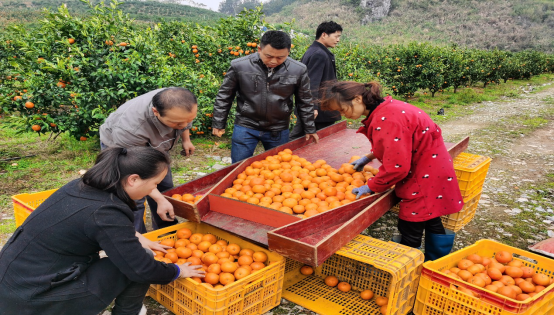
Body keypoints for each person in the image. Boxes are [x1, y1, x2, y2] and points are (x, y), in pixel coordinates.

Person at [0, 147, 205, 315]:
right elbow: (141, 269)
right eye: (155, 184)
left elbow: (92, 223)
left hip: (13, 282)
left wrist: (137, 237)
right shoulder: (107, 212)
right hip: (33, 301)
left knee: (137, 254)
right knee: (141, 261)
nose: (155, 189)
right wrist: (178, 271)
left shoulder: (82, 187)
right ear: (133, 179)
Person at [319, 81, 464, 261]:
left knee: (411, 224)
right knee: (430, 213)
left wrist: (371, 186)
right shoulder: (387, 108)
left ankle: (409, 265)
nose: (343, 115)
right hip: (433, 166)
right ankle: (437, 261)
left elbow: (397, 168)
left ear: (357, 99)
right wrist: (369, 157)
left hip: (423, 174)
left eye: (342, 109)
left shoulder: (387, 119)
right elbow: (396, 142)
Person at [212, 30, 319, 163]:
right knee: (239, 168)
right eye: (268, 56)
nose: (274, 61)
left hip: (278, 128)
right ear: (259, 49)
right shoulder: (240, 66)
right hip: (246, 126)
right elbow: (225, 96)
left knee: (279, 169)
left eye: (280, 57)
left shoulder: (298, 70)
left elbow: (305, 101)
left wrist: (309, 128)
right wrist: (218, 122)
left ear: (288, 53)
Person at [100, 87, 197, 233]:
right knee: (134, 197)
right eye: (177, 124)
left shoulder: (178, 100)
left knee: (165, 189)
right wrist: (158, 198)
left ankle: (166, 232)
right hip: (127, 151)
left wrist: (186, 139)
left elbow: (184, 120)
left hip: (156, 146)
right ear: (156, 112)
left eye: (189, 120)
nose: (183, 125)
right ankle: (138, 240)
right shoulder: (130, 128)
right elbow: (134, 169)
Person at [290, 21, 343, 139]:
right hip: (318, 110)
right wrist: (312, 107)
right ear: (324, 35)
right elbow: (311, 82)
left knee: (302, 138)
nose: (338, 40)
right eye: (336, 36)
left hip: (318, 108)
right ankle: (280, 156)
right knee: (300, 140)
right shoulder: (319, 54)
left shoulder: (315, 51)